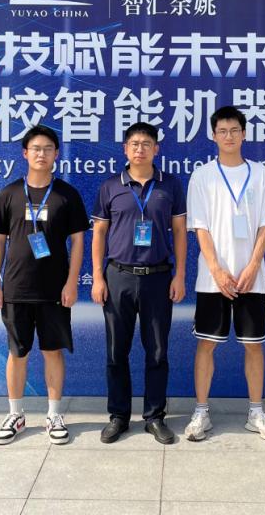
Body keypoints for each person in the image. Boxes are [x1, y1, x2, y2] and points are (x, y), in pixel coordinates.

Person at [184, 106, 265, 442]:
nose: (229, 136)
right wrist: (217, 270)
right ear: (213, 136)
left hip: (251, 278)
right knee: (206, 344)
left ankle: (256, 412)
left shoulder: (261, 174)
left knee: (254, 346)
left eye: (234, 130)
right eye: (222, 131)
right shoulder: (202, 176)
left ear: (244, 134)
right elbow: (200, 227)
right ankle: (201, 413)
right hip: (214, 279)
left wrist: (252, 266)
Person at [0, 124, 89, 445]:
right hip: (16, 289)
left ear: (56, 154)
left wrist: (72, 282)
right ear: (25, 153)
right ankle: (15, 414)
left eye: (48, 148)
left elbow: (78, 242)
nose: (41, 154)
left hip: (54, 290)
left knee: (52, 352)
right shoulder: (9, 193)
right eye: (35, 148)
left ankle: (54, 414)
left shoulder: (67, 194)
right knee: (17, 353)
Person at [91, 122, 187, 444]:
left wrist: (180, 275)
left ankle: (154, 417)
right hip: (118, 276)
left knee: (157, 352)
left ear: (156, 149)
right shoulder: (110, 186)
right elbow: (99, 233)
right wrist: (98, 277)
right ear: (125, 149)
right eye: (134, 143)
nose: (140, 149)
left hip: (158, 277)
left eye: (146, 143)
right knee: (116, 352)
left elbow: (179, 232)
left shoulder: (170, 185)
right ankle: (118, 416)